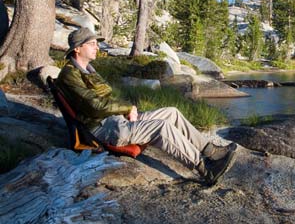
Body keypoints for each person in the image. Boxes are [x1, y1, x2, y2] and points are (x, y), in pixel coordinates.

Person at [56, 27, 236, 186]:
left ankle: (210, 151)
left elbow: (103, 101)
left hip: (115, 120)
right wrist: (127, 109)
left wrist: (126, 111)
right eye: (92, 44)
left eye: (97, 43)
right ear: (78, 49)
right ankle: (205, 169)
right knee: (161, 126)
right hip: (104, 129)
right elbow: (95, 105)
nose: (97, 47)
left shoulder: (88, 70)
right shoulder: (69, 75)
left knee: (171, 113)